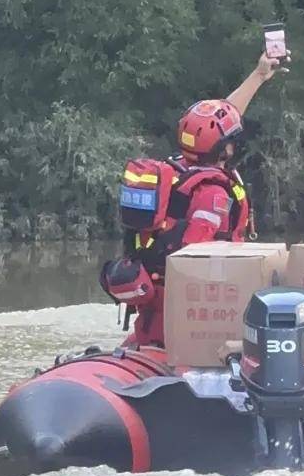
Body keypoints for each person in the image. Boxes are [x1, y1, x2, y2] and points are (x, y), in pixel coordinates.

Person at [100, 51, 287, 348]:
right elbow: (194, 260)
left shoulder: (179, 167)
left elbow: (221, 119)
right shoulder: (212, 194)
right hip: (181, 317)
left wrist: (259, 75)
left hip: (156, 309)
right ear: (223, 150)